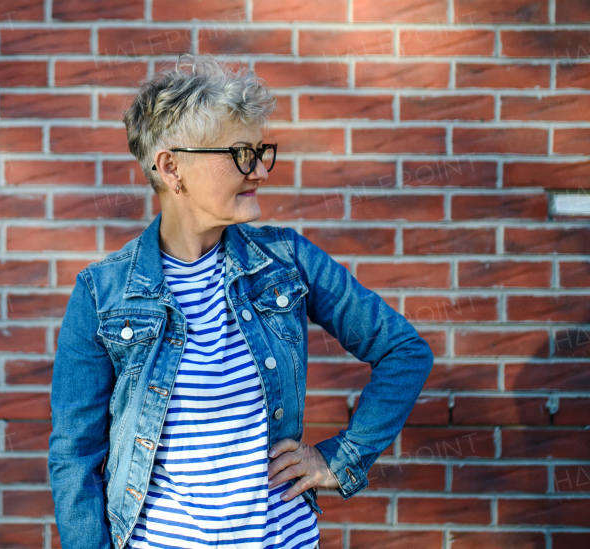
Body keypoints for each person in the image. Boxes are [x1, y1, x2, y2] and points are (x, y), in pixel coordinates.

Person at [48, 55, 434, 549]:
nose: (259, 171)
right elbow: (74, 455)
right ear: (172, 168)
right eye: (240, 153)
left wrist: (342, 458)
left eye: (259, 151)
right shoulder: (102, 294)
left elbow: (403, 350)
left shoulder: (287, 261)